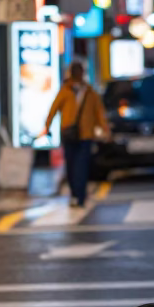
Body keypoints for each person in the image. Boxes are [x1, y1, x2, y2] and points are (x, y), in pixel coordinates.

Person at [44, 61, 110, 207]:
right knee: (72, 165)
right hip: (69, 133)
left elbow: (98, 112)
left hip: (85, 134)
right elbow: (54, 108)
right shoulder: (66, 90)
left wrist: (104, 128)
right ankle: (75, 193)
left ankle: (79, 195)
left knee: (81, 165)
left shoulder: (89, 91)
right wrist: (47, 126)